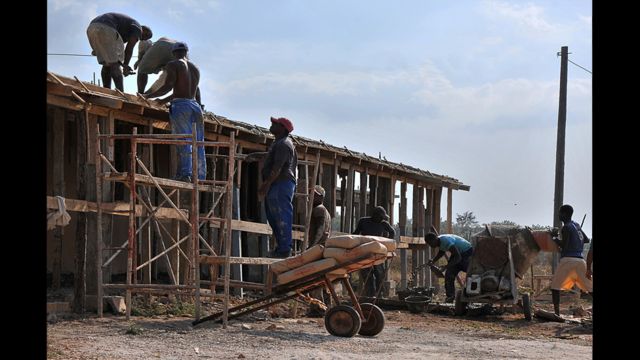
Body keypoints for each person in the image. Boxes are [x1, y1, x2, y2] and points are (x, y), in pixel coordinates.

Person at [143, 42, 206, 182]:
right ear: (186, 51)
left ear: (173, 53)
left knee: (184, 140)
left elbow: (169, 86)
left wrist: (150, 96)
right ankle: (199, 175)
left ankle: (185, 174)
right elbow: (191, 91)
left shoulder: (173, 64)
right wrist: (163, 100)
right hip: (195, 106)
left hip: (181, 106)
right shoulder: (195, 68)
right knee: (198, 141)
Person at [244, 117, 298, 258]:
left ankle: (285, 249)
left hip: (281, 184)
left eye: (275, 123)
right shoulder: (279, 143)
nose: (271, 124)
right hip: (277, 184)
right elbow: (271, 157)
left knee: (281, 216)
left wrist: (265, 184)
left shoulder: (284, 144)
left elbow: (277, 168)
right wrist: (256, 155)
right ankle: (281, 248)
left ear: (282, 128)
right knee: (274, 217)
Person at [86, 12, 152, 91]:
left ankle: (106, 90)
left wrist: (123, 65)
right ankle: (121, 93)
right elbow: (129, 49)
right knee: (115, 64)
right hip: (106, 27)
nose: (144, 39)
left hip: (92, 28)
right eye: (146, 36)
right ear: (143, 29)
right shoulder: (137, 28)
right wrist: (125, 66)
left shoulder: (124, 30)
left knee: (107, 63)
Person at [550, 204, 593, 316]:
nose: (558, 215)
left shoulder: (566, 227)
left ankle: (557, 314)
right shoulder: (577, 225)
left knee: (555, 287)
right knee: (590, 288)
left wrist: (554, 237)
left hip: (568, 259)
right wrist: (576, 243)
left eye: (560, 213)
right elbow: (586, 240)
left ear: (564, 214)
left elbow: (564, 245)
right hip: (580, 260)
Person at [353, 206, 395, 297]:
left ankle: (380, 296)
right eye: (381, 217)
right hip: (365, 252)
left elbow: (392, 232)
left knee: (379, 275)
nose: (382, 219)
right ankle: (370, 296)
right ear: (375, 216)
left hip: (378, 253)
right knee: (367, 276)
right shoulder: (363, 221)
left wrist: (386, 245)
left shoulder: (384, 224)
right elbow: (355, 234)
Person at [306, 185, 332, 316]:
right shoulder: (325, 211)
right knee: (322, 279)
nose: (311, 196)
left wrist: (312, 247)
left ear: (320, 197)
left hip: (318, 248)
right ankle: (326, 305)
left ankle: (318, 308)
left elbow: (320, 229)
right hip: (323, 248)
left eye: (314, 194)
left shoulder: (319, 210)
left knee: (314, 279)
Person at [425, 232, 473, 303]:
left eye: (430, 243)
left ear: (434, 239)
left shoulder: (445, 240)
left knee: (471, 273)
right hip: (458, 253)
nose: (430, 245)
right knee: (449, 274)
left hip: (467, 252)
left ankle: (471, 296)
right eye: (428, 244)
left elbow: (458, 257)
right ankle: (450, 297)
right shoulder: (440, 241)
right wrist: (433, 260)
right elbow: (441, 252)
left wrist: (445, 267)